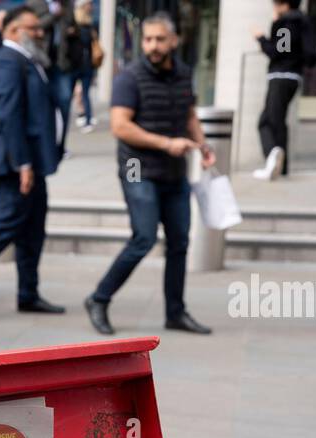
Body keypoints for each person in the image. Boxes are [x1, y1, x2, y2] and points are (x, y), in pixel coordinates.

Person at [83, 13, 214, 337]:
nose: (153, 46)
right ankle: (99, 298)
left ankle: (175, 312)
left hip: (173, 171)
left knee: (180, 241)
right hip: (137, 168)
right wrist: (166, 143)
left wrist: (202, 144)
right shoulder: (129, 77)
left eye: (159, 39)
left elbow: (188, 113)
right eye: (148, 39)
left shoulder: (184, 74)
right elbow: (119, 126)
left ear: (174, 40)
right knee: (143, 237)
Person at [0, 6, 65, 317]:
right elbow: (9, 117)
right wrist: (22, 164)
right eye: (33, 28)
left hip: (30, 163)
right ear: (11, 32)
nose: (40, 33)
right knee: (5, 227)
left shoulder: (28, 60)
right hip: (11, 164)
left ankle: (28, 293)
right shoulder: (6, 62)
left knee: (33, 230)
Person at [253, 0, 315, 181]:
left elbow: (278, 51)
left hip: (281, 76)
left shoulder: (287, 23)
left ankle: (273, 156)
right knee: (276, 120)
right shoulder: (303, 22)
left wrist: (261, 38)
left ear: (284, 5)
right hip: (293, 76)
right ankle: (281, 165)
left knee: (268, 122)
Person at [66, 1, 99, 134]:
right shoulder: (86, 27)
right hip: (81, 65)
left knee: (80, 94)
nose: (91, 7)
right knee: (82, 94)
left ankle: (86, 118)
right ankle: (86, 118)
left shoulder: (85, 27)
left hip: (80, 65)